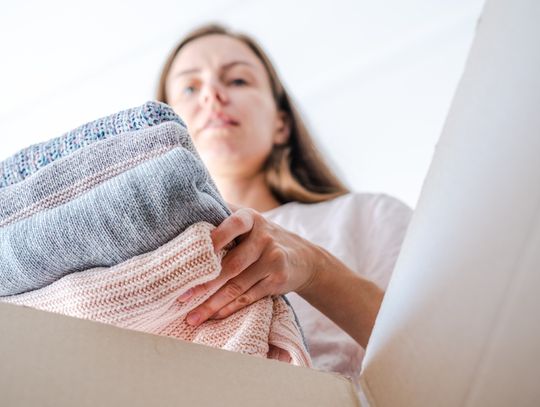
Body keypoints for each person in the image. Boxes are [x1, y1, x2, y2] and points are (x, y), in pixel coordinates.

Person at [156, 24, 412, 377]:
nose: (212, 94)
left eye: (238, 81)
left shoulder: (369, 217)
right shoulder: (149, 262)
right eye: (189, 87)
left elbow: (447, 358)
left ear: (281, 123)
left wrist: (316, 270)